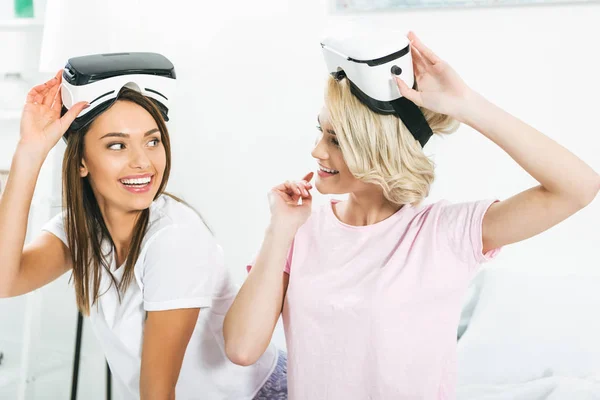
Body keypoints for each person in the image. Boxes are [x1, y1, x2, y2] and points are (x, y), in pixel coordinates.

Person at [222, 31, 600, 399]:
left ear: (379, 148)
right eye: (320, 132)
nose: (317, 151)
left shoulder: (443, 234)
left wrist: (467, 105)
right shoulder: (300, 231)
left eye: (336, 140)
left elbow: (579, 187)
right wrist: (279, 230)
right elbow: (241, 349)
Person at [0, 70, 287, 399]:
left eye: (153, 141)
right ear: (81, 162)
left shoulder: (174, 240)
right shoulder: (83, 227)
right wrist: (30, 151)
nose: (143, 162)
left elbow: (157, 392)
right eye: (118, 145)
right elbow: (5, 281)